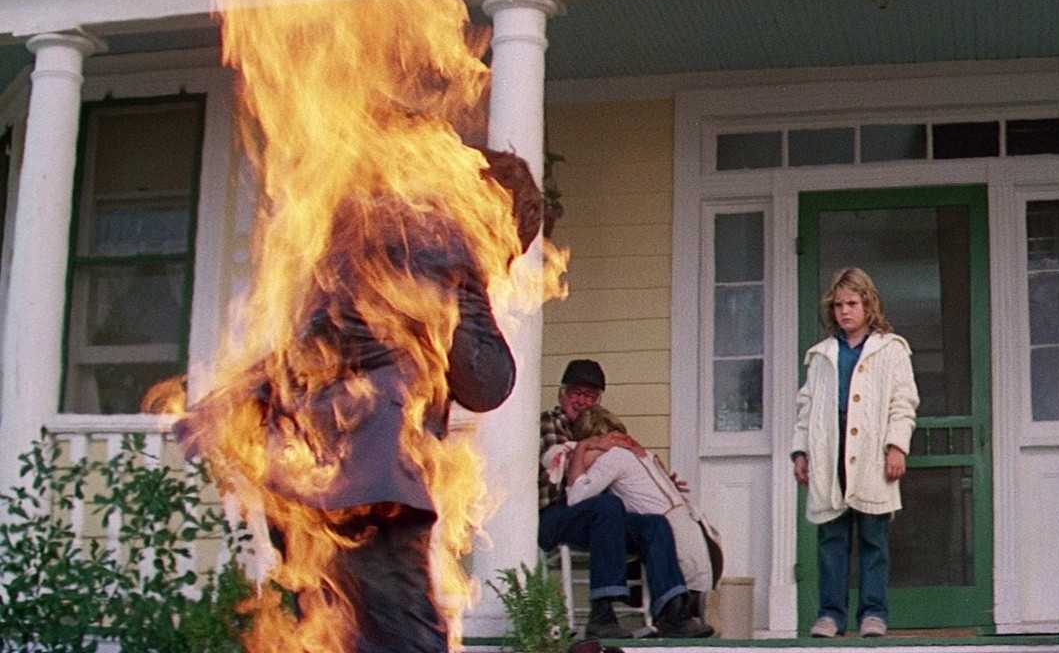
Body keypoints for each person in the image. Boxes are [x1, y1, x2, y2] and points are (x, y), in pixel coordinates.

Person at [178, 149, 542, 653]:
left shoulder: (364, 238)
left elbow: (307, 348)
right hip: (372, 483)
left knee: (332, 636)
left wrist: (230, 402)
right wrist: (474, 290)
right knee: (407, 641)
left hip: (301, 478)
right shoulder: (452, 248)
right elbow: (487, 382)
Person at [538, 360, 714, 639]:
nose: (582, 401)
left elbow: (614, 473)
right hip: (556, 516)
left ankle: (671, 612)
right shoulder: (551, 422)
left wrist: (661, 480)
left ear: (598, 400)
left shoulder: (599, 428)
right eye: (576, 393)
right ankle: (602, 613)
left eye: (590, 395)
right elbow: (561, 465)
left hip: (599, 519)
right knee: (609, 506)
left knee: (654, 524)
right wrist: (590, 445)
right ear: (562, 395)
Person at [790, 267, 919, 639]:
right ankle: (830, 614)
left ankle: (873, 613)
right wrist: (801, 452)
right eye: (838, 305)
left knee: (873, 538)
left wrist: (896, 446)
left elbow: (903, 402)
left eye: (852, 304)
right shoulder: (822, 355)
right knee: (832, 537)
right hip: (830, 448)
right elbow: (807, 407)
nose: (845, 311)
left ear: (868, 304)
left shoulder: (890, 349)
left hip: (871, 450)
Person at [541, 404, 723, 601]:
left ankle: (665, 604)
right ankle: (671, 604)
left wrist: (584, 448)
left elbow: (577, 496)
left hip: (678, 545)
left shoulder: (614, 456)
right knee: (619, 515)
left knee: (636, 524)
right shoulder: (642, 455)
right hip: (701, 541)